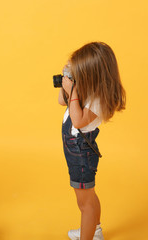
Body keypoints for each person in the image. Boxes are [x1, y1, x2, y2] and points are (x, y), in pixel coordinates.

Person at [58, 42, 126, 240]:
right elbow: (62, 101)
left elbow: (77, 121)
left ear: (92, 73)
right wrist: (67, 81)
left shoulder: (98, 98)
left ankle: (89, 236)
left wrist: (73, 90)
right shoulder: (86, 88)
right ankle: (94, 230)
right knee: (89, 196)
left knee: (84, 203)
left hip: (81, 151)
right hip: (75, 150)